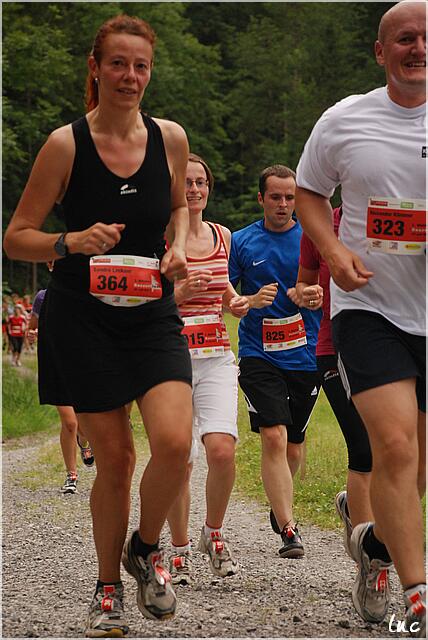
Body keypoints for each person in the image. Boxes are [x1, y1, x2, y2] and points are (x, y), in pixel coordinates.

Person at [4, 14, 193, 638]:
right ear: (95, 67)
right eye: (118, 63)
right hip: (83, 320)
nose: (130, 76)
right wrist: (71, 241)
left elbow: (178, 212)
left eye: (140, 66)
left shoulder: (170, 138)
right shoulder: (66, 145)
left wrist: (179, 246)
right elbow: (17, 239)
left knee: (173, 442)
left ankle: (145, 548)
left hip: (151, 314)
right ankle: (109, 586)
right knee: (114, 460)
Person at [295, 2, 426, 635]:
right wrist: (335, 251)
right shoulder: (345, 119)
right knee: (394, 447)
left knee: (420, 468)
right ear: (381, 51)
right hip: (367, 306)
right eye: (405, 39)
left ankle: (375, 547)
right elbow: (309, 193)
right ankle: (417, 591)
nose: (418, 48)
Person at [229, 164, 321, 559]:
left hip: (306, 354)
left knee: (294, 448)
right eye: (275, 197)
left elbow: (338, 285)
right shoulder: (241, 241)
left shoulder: (314, 238)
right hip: (258, 353)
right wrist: (249, 302)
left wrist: (314, 293)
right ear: (261, 199)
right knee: (274, 435)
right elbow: (227, 299)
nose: (283, 204)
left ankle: (278, 501)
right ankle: (289, 529)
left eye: (290, 197)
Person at [166, 153, 249, 585]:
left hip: (217, 354)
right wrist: (177, 295)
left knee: (221, 450)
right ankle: (177, 549)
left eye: (201, 182)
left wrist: (233, 301)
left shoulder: (224, 236)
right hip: (171, 358)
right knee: (179, 458)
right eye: (186, 183)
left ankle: (212, 534)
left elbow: (222, 289)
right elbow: (146, 301)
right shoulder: (159, 239)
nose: (194, 190)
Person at [287, 205, 374, 557]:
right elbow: (302, 283)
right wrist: (305, 294)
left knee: (402, 454)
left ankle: (358, 511)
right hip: (334, 346)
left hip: (395, 348)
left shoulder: (401, 215)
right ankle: (370, 564)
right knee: (364, 447)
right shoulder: (320, 226)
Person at [28, 288, 95, 495]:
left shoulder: (84, 291)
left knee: (83, 424)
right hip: (56, 365)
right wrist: (34, 335)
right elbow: (32, 329)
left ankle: (83, 441)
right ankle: (71, 475)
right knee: (70, 423)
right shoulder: (43, 297)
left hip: (84, 365)